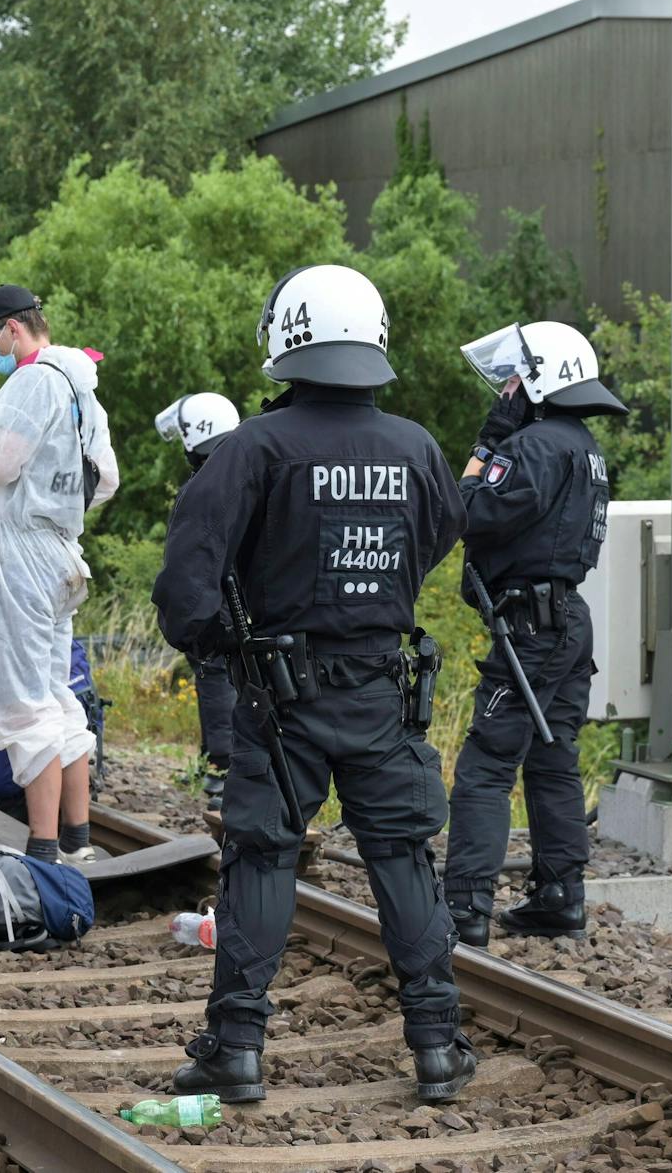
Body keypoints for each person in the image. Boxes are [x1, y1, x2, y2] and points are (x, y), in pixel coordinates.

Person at [153, 263, 475, 1104]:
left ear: (287, 339)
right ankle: (438, 1045)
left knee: (261, 858)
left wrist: (222, 639)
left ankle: (237, 1049)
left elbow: (188, 575)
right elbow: (441, 530)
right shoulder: (416, 446)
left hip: (281, 692)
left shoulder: (254, 447)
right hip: (380, 687)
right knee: (402, 856)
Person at [442, 321, 625, 948]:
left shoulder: (535, 447)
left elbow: (465, 507)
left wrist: (490, 438)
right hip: (569, 622)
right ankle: (559, 894)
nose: (507, 390)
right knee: (553, 762)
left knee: (486, 765)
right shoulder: (586, 447)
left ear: (543, 379)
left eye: (516, 378)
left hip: (530, 626)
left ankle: (464, 906)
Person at [0, 284, 119, 865]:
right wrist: (61, 506)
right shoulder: (82, 384)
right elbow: (106, 479)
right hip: (62, 551)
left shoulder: (32, 380)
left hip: (22, 552)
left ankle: (45, 848)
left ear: (12, 329)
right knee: (56, 693)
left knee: (22, 702)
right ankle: (77, 839)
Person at [154, 392, 243, 810]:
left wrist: (185, 623)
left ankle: (223, 772)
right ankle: (223, 765)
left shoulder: (204, 487)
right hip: (248, 606)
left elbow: (186, 566)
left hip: (220, 607)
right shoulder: (249, 473)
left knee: (215, 680)